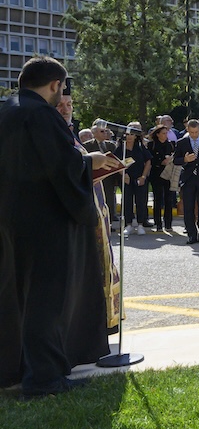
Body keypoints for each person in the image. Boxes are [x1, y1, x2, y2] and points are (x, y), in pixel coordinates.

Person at [0, 57, 120, 397]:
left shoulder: (6, 110)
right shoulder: (41, 115)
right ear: (55, 84)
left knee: (15, 297)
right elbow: (60, 165)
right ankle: (43, 379)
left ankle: (15, 368)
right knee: (45, 300)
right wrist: (91, 161)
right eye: (62, 88)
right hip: (43, 222)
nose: (61, 95)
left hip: (9, 219)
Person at [116, 122, 152, 236]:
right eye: (127, 134)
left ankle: (140, 224)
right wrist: (123, 174)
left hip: (139, 178)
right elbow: (116, 162)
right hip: (126, 179)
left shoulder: (140, 148)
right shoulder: (121, 149)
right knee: (127, 201)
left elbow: (148, 162)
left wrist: (143, 176)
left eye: (132, 134)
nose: (129, 137)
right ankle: (129, 225)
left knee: (141, 201)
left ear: (136, 136)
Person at [148, 124, 178, 232]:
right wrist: (160, 161)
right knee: (158, 199)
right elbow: (149, 159)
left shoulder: (170, 145)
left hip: (168, 174)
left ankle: (168, 223)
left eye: (166, 133)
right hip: (156, 174)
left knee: (168, 199)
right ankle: (158, 223)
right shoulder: (152, 145)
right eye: (163, 133)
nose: (165, 135)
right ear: (158, 134)